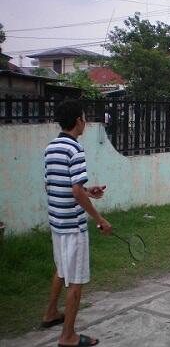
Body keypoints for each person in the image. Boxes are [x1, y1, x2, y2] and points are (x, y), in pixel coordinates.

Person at [43, 100, 112, 347]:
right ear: (78, 121)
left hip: (56, 223)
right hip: (72, 226)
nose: (85, 122)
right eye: (84, 118)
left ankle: (50, 313)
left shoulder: (51, 148)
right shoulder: (75, 149)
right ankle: (68, 336)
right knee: (76, 280)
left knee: (62, 270)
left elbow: (52, 184)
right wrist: (100, 218)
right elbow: (74, 190)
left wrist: (87, 190)